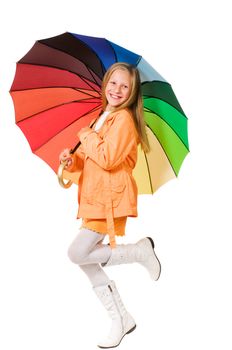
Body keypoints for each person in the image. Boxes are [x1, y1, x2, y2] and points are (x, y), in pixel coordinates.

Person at [59, 62, 161, 349]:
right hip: (94, 197)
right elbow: (92, 161)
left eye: (124, 86)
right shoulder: (103, 117)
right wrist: (73, 160)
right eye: (113, 83)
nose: (117, 90)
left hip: (110, 199)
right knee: (85, 260)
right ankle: (121, 318)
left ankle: (139, 251)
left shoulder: (125, 120)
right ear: (105, 84)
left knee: (77, 253)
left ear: (132, 92)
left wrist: (86, 135)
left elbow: (108, 159)